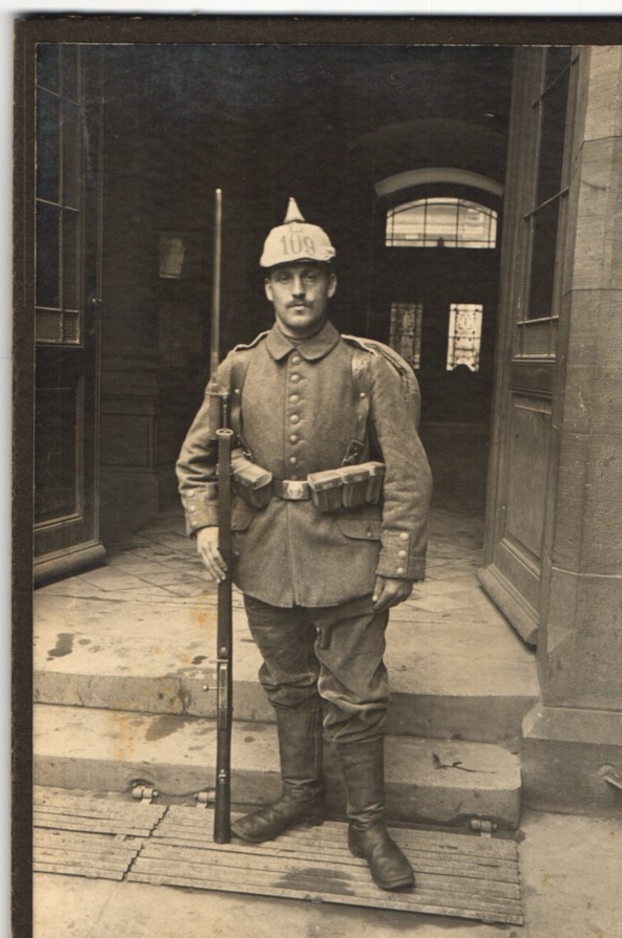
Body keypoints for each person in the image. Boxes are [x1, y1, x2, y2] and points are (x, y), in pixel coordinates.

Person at [176, 199, 432, 891]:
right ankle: (298, 794)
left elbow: (408, 472)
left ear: (331, 284)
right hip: (260, 555)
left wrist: (398, 558)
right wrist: (205, 523)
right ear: (265, 287)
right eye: (284, 276)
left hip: (350, 556)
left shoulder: (364, 368)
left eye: (311, 275)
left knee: (355, 695)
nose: (297, 289)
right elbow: (195, 460)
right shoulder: (235, 370)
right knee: (288, 686)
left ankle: (367, 823)